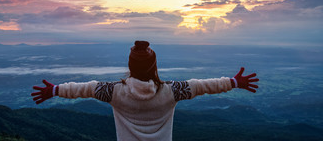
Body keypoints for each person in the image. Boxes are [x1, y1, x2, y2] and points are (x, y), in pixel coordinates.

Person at [31, 41, 259, 141]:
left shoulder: (114, 92)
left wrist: (55, 90)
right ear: (154, 67)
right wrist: (233, 82)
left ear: (130, 66)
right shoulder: (172, 92)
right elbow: (201, 86)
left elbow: (86, 89)